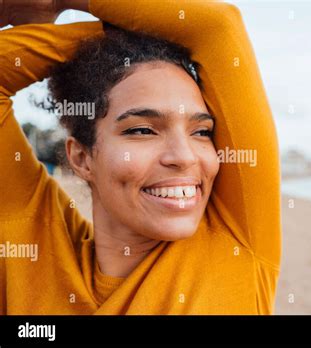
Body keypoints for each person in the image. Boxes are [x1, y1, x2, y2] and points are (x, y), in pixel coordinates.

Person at [0, 0, 281, 314]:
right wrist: (106, 42)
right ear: (82, 158)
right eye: (144, 130)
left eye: (201, 132)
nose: (184, 157)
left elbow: (217, 27)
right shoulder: (30, 244)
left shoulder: (236, 243)